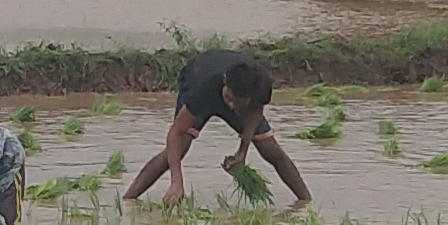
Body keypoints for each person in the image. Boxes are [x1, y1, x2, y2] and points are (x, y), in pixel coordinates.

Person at [121, 48, 312, 206]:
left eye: (237, 103)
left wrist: (242, 153)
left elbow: (255, 114)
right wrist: (176, 181)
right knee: (179, 148)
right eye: (229, 99)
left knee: (271, 150)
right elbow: (175, 133)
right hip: (197, 76)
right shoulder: (204, 89)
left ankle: (306, 202)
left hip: (236, 93)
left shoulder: (260, 84)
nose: (230, 106)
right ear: (225, 84)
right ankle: (128, 200)